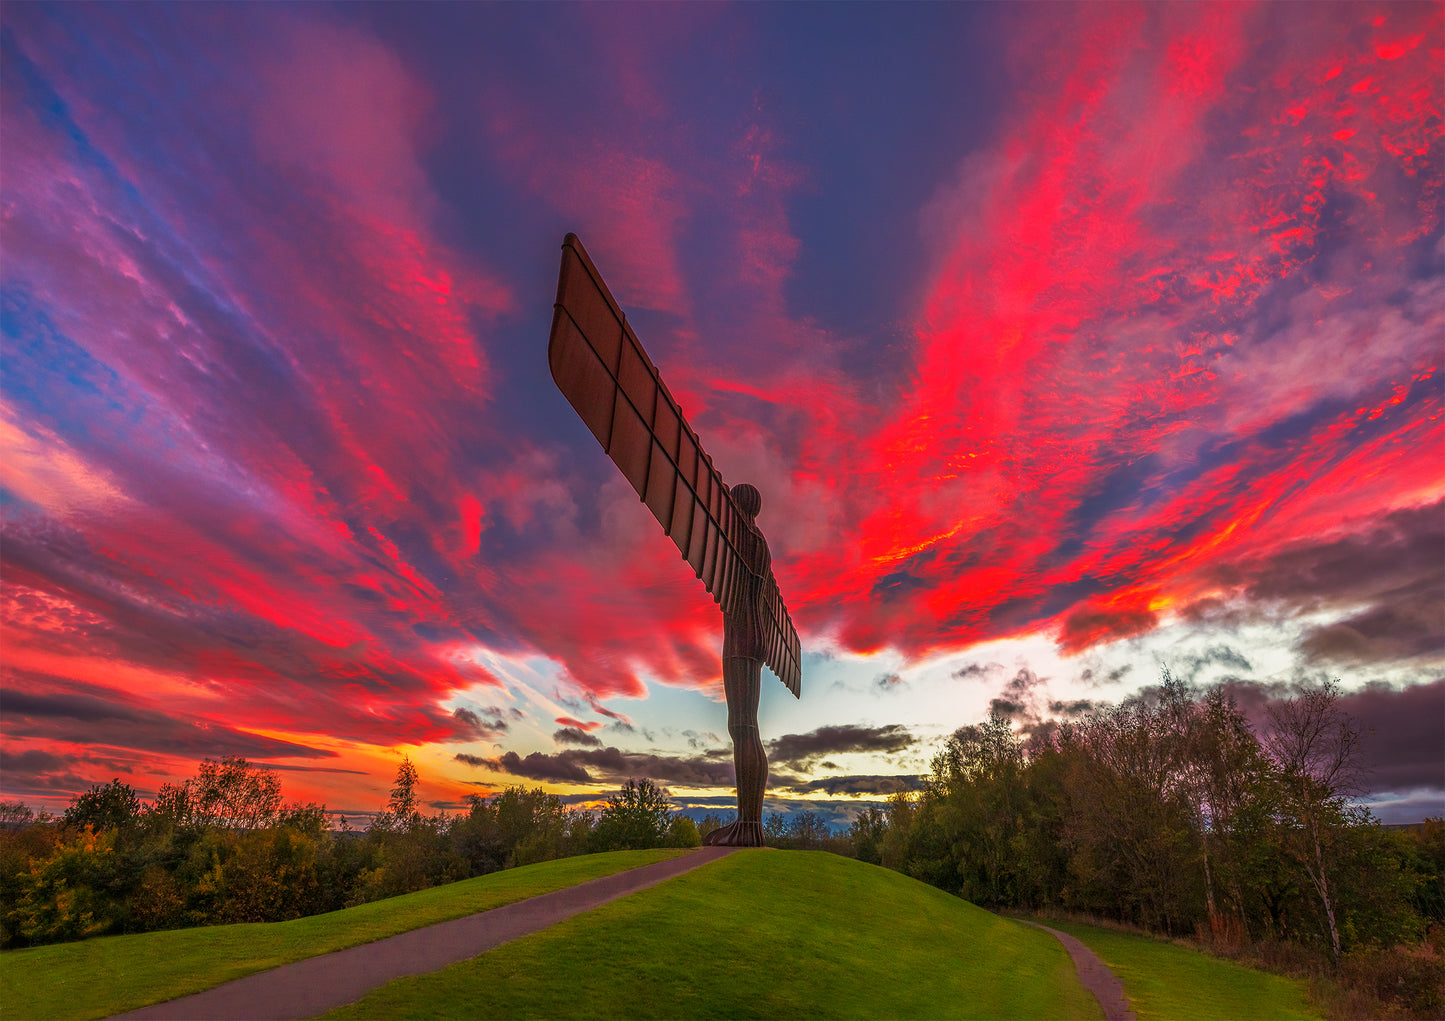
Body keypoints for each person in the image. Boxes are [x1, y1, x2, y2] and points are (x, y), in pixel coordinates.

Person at [704, 483, 772, 847]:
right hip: (756, 632)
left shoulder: (740, 535)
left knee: (741, 725)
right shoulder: (760, 543)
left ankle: (748, 826)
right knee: (748, 726)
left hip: (741, 635)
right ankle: (750, 823)